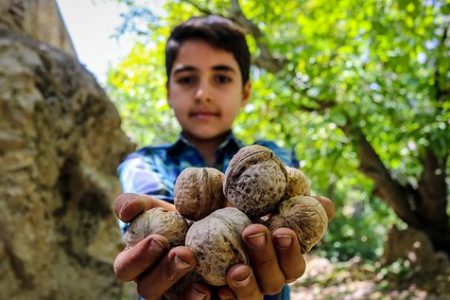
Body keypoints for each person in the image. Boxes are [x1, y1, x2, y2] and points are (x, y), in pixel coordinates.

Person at [113, 15, 335, 300]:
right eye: (187, 79)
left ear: (245, 92)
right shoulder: (142, 163)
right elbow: (160, 219)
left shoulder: (273, 154)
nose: (203, 94)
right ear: (168, 91)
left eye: (221, 78)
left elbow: (290, 193)